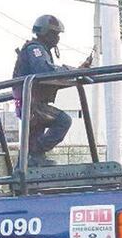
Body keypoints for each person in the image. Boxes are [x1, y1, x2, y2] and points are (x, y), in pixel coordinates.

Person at [12, 14, 93, 167]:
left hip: (33, 103)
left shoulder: (41, 50)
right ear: (44, 33)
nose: (57, 38)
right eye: (54, 34)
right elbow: (45, 71)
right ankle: (33, 155)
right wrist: (70, 70)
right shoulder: (35, 49)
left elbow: (50, 77)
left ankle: (26, 165)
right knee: (63, 121)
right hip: (31, 104)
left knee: (32, 141)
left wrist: (76, 72)